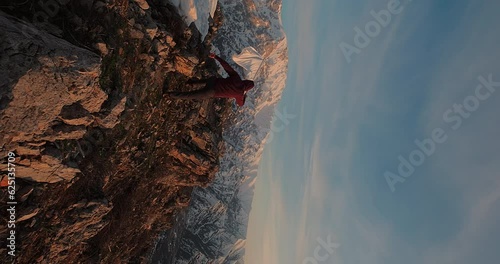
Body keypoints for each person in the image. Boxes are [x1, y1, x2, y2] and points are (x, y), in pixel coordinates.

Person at [166, 53, 255, 106]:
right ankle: (170, 94)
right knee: (191, 95)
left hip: (213, 81)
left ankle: (191, 83)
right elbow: (240, 104)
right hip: (212, 92)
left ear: (245, 81)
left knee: (210, 80)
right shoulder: (239, 94)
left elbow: (226, 66)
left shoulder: (237, 78)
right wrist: (244, 95)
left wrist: (216, 57)